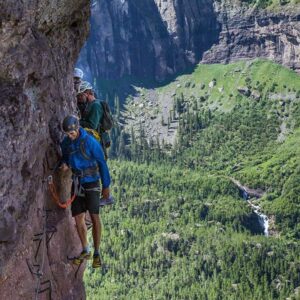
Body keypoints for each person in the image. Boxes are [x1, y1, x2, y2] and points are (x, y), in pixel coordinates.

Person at [60, 115, 111, 268]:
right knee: (77, 217)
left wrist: (106, 186)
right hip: (77, 182)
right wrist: (65, 164)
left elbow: (101, 162)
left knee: (94, 216)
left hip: (92, 181)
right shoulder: (66, 143)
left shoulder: (90, 142)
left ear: (77, 128)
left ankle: (97, 252)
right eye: (68, 133)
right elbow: (65, 157)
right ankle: (85, 249)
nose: (71, 135)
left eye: (72, 132)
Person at [77, 81, 111, 160]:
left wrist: (78, 122)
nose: (79, 98)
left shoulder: (95, 105)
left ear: (88, 93)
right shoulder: (90, 104)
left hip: (97, 138)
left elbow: (92, 125)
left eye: (81, 95)